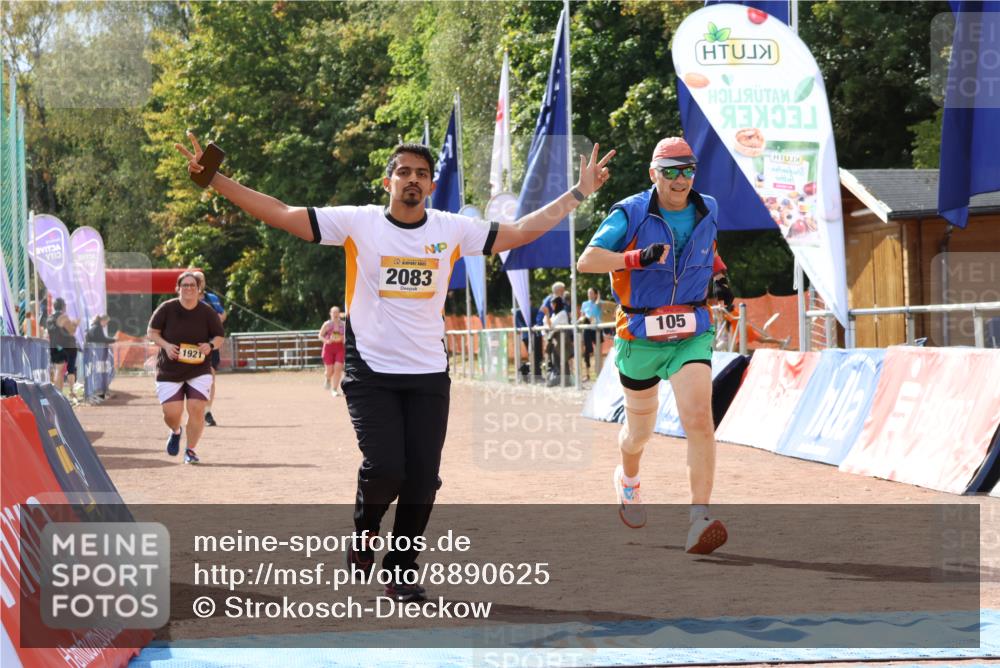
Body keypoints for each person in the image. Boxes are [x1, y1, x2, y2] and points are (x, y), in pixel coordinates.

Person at [176, 132, 614, 601]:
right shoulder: (357, 223)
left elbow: (522, 231)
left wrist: (580, 192)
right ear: (388, 181)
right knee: (386, 468)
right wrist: (215, 180)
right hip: (371, 373)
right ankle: (365, 534)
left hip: (428, 373)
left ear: (430, 186)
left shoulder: (451, 229)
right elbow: (283, 214)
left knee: (423, 479)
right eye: (403, 172)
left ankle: (402, 568)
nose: (412, 179)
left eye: (421, 174)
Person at [577, 136, 734, 555]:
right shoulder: (630, 212)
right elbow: (587, 260)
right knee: (639, 434)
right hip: (641, 335)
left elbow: (708, 247)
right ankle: (628, 478)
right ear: (654, 173)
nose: (680, 180)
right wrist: (634, 258)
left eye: (687, 170)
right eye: (671, 171)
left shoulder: (709, 208)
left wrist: (720, 279)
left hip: (692, 329)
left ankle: (698, 518)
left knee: (700, 418)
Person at [146, 271, 225, 464]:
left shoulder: (207, 311)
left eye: (192, 285)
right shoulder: (167, 308)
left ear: (199, 289)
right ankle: (175, 431)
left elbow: (219, 337)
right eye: (185, 285)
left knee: (197, 408)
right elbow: (152, 332)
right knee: (172, 414)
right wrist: (165, 345)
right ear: (178, 288)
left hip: (198, 368)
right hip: (170, 369)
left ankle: (190, 450)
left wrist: (210, 345)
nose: (189, 288)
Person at [192, 270, 225, 426]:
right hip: (192, 345)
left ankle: (207, 412)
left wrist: (216, 319)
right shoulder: (186, 299)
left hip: (211, 344)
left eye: (202, 279)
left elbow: (223, 314)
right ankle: (194, 410)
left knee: (210, 379)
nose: (200, 282)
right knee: (191, 379)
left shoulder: (212, 299)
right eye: (197, 279)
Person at [47, 298, 79, 396]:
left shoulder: (49, 318)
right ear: (63, 307)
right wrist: (76, 324)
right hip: (68, 346)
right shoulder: (63, 317)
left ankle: (58, 394)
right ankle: (71, 391)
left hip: (55, 346)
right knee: (70, 369)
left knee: (59, 370)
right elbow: (71, 330)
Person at [319, 306, 346, 396]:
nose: (335, 314)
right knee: (329, 371)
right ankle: (327, 378)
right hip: (328, 348)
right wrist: (327, 341)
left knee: (338, 369)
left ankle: (334, 389)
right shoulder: (327, 324)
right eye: (333, 312)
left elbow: (347, 337)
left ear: (339, 313)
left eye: (337, 312)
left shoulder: (343, 324)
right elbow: (320, 335)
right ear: (330, 314)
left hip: (339, 348)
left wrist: (343, 339)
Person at [579, 287, 603, 379]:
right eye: (588, 293)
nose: (590, 295)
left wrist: (599, 297)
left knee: (599, 353)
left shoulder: (599, 303)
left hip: (597, 329)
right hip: (587, 329)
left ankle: (600, 373)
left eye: (592, 293)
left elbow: (599, 306)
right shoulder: (584, 304)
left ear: (596, 294)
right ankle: (587, 374)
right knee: (587, 352)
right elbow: (582, 316)